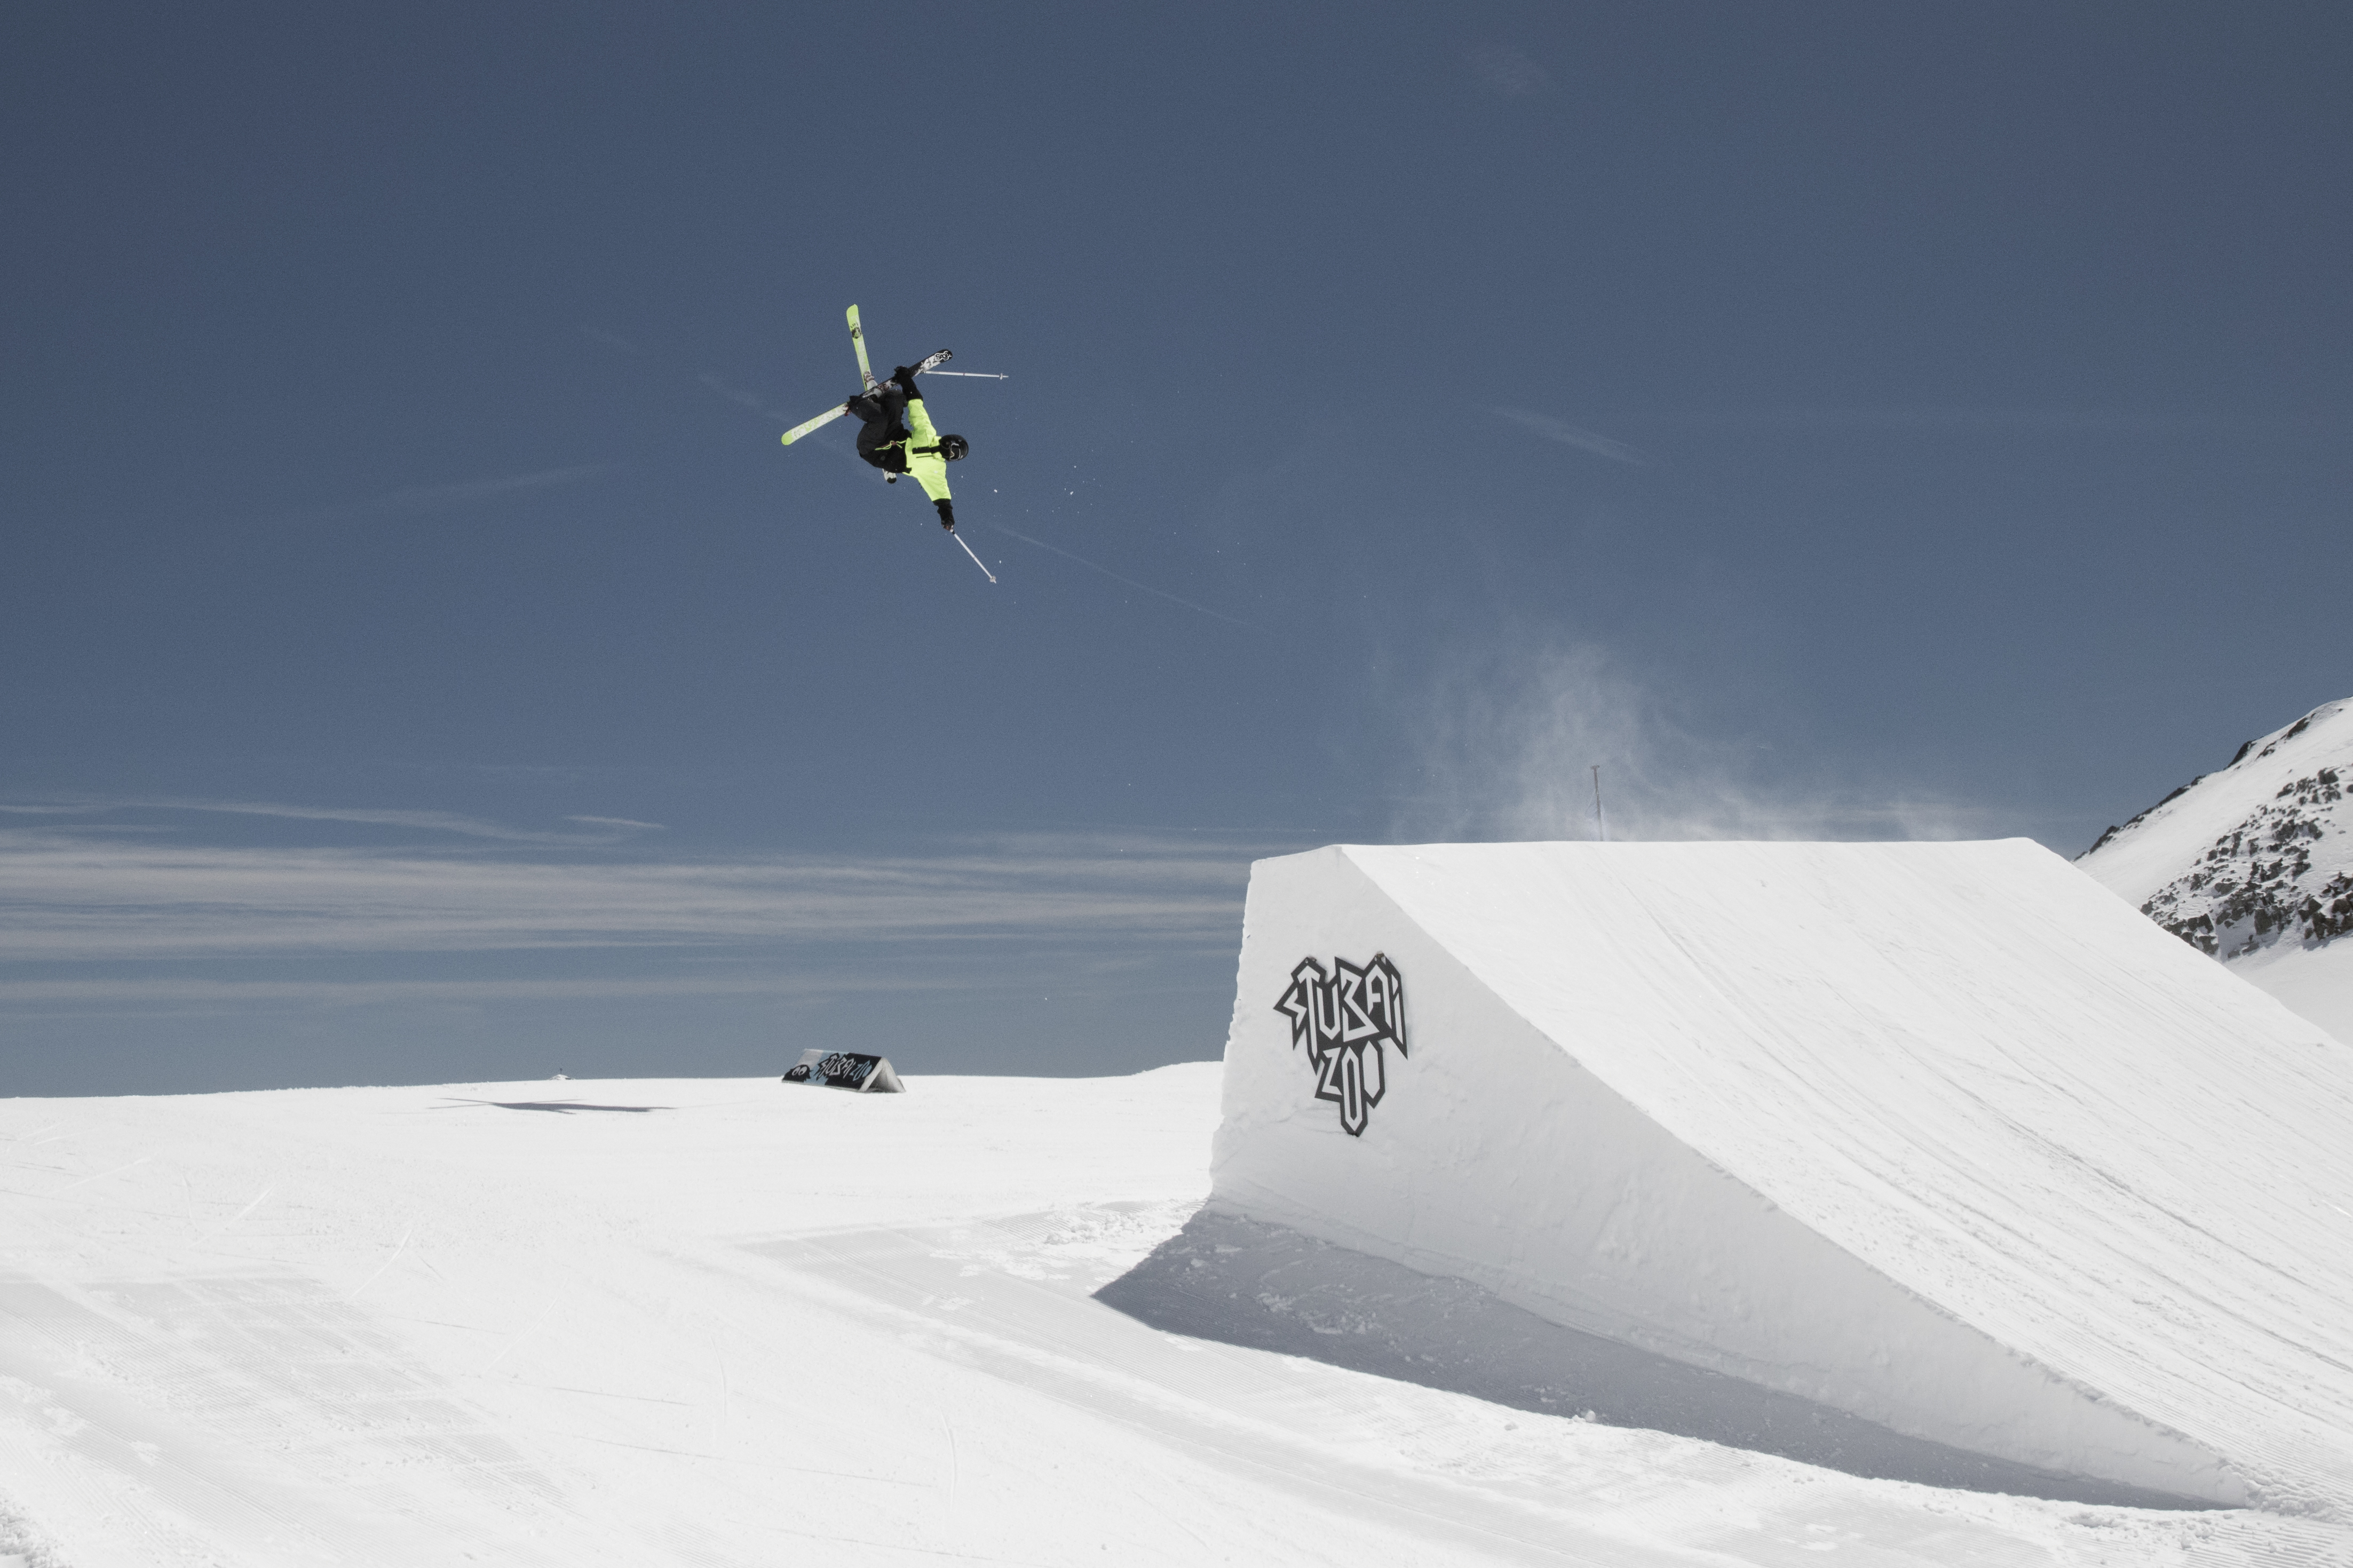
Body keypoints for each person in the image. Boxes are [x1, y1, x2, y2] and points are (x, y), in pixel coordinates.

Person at [845, 367, 970, 530]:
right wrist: (905, 379)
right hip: (892, 433)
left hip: (874, 450)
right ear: (949, 440)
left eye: (953, 455)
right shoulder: (928, 433)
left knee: (880, 420)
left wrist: (948, 517)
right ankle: (879, 402)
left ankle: (857, 404)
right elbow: (917, 405)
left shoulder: (936, 469)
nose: (950, 453)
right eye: (953, 449)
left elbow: (943, 497)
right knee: (896, 398)